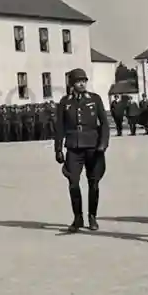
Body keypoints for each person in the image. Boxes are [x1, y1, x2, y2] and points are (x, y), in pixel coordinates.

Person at [54, 68, 110, 232]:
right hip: (73, 147)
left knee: (94, 183)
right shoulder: (65, 102)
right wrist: (58, 149)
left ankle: (92, 216)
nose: (82, 83)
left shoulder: (95, 99)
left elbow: (104, 124)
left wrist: (103, 144)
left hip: (93, 147)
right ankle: (77, 217)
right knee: (73, 183)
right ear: (72, 84)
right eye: (79, 81)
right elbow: (60, 127)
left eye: (84, 81)